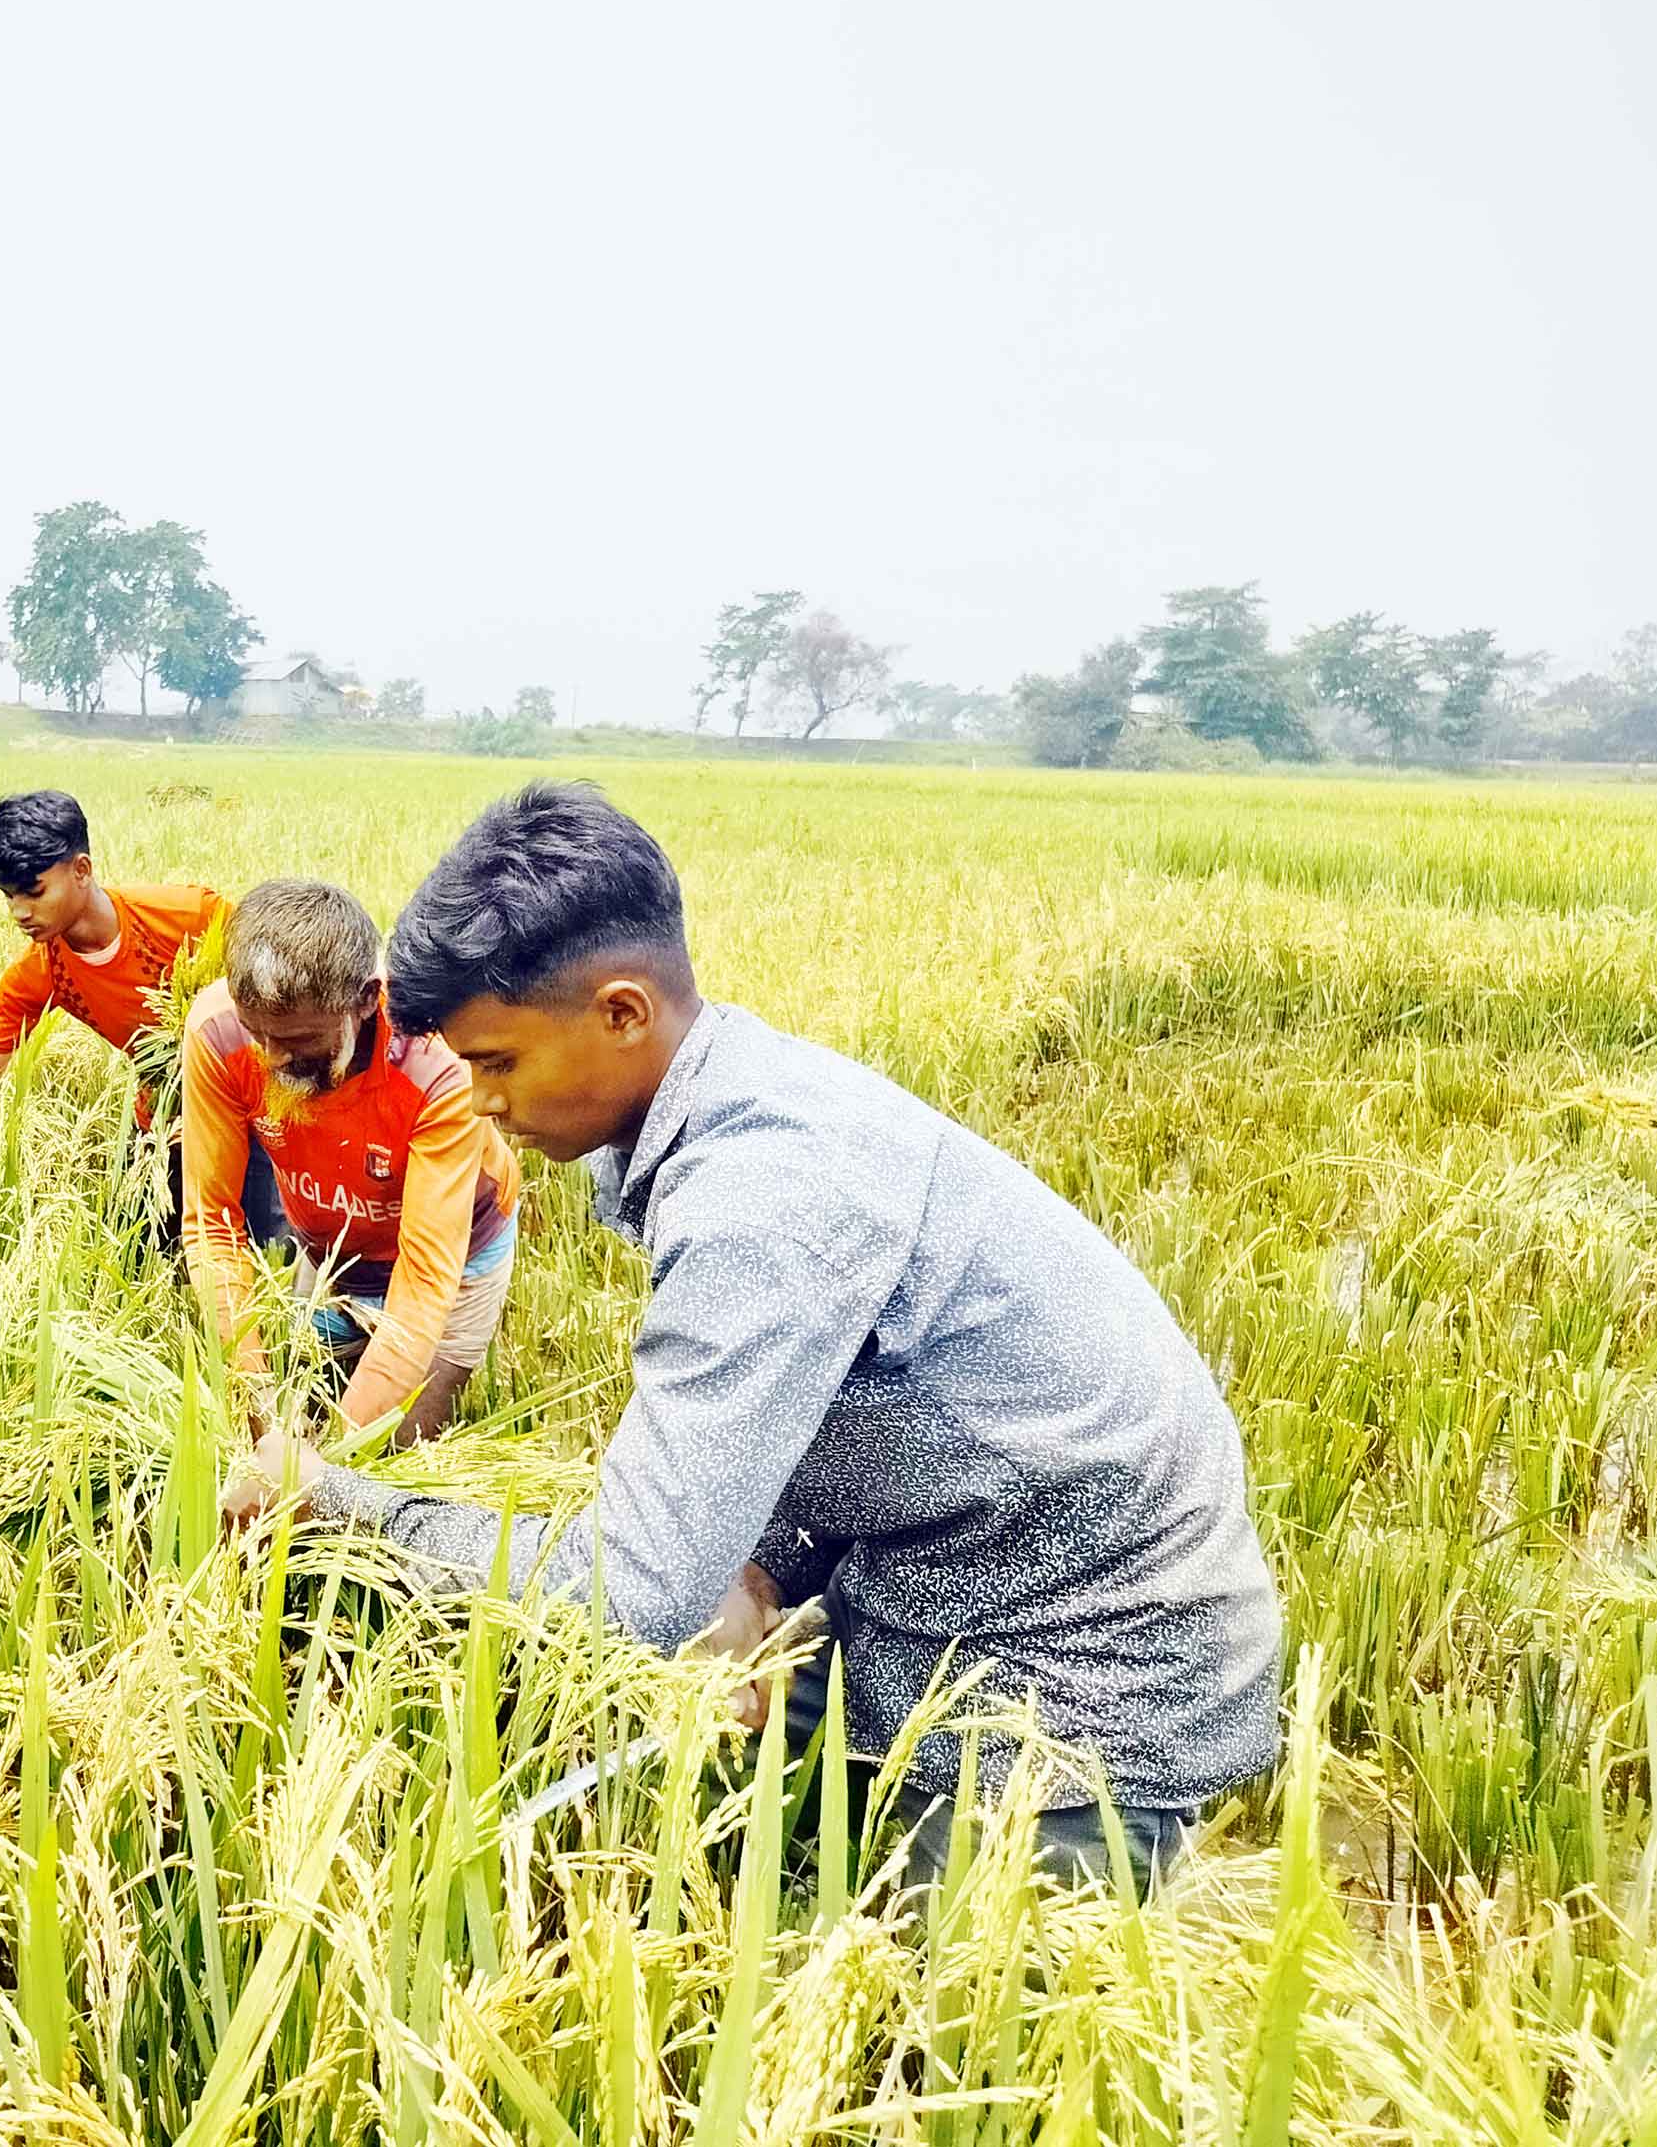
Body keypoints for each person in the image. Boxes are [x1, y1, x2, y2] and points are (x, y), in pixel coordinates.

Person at [224, 783, 1281, 1887]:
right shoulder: (730, 1100)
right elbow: (836, 1395)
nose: (479, 1101)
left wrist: (334, 1499)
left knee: (947, 2035)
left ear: (622, 1013)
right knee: (742, 1862)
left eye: (497, 1062)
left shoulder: (763, 1194)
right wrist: (763, 1567)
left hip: (1077, 1684)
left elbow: (634, 1596)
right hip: (924, 1587)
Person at [182, 878, 522, 1446]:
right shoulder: (217, 1034)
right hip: (334, 1255)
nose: (270, 1059)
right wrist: (253, 1390)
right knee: (292, 1412)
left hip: (452, 1262)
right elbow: (212, 1222)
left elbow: (423, 1281)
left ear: (367, 998)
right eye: (257, 1032)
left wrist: (325, 1471)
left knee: (387, 1451)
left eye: (299, 1040)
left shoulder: (436, 1068)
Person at [0, 790, 282, 1251]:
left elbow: (291, 986)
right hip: (159, 1121)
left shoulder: (194, 916)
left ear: (81, 870)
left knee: (267, 1253)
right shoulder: (37, 975)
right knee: (131, 1257)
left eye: (34, 892)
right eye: (9, 896)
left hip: (252, 1112)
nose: (19, 912)